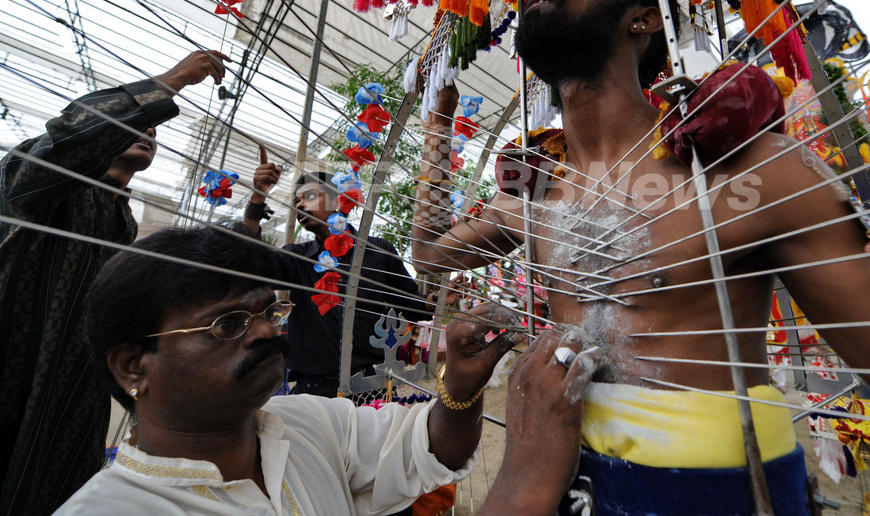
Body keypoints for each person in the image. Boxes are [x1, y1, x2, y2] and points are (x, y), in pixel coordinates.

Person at [411, 0, 870, 514]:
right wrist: (436, 125)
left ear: (643, 19)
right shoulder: (538, 185)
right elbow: (431, 255)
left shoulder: (746, 171)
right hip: (564, 479)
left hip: (723, 491)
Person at [54, 225, 600, 515]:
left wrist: (458, 383)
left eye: (271, 311)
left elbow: (431, 448)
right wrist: (530, 471)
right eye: (228, 325)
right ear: (133, 366)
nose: (267, 331)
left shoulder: (302, 423)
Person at [0, 50, 228, 516]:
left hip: (74, 391)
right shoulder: (44, 177)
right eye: (139, 122)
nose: (149, 131)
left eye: (154, 130)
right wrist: (168, 84)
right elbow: (63, 139)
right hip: (16, 359)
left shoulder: (121, 219)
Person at [241, 161, 432, 400]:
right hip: (314, 391)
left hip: (371, 386)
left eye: (309, 196)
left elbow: (408, 304)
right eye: (296, 201)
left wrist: (432, 301)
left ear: (338, 200)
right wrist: (258, 199)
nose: (300, 204)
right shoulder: (296, 257)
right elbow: (248, 267)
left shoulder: (378, 251)